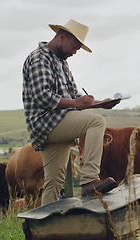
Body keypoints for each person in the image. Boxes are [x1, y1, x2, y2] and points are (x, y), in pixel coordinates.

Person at [22, 19, 118, 206]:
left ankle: (45, 229)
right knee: (96, 122)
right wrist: (75, 102)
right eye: (74, 47)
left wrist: (99, 103)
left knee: (53, 183)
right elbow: (42, 96)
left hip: (56, 123)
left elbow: (74, 96)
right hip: (47, 121)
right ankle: (89, 181)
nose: (74, 52)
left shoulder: (61, 62)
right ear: (62, 37)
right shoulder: (39, 58)